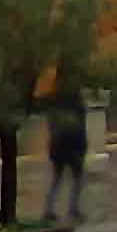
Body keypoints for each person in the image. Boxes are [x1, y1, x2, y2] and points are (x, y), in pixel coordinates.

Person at [42, 81, 92, 223]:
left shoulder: (53, 103)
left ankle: (49, 210)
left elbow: (51, 126)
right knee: (78, 179)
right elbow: (80, 128)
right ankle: (73, 209)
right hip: (73, 147)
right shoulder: (77, 104)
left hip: (57, 147)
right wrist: (83, 147)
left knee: (56, 179)